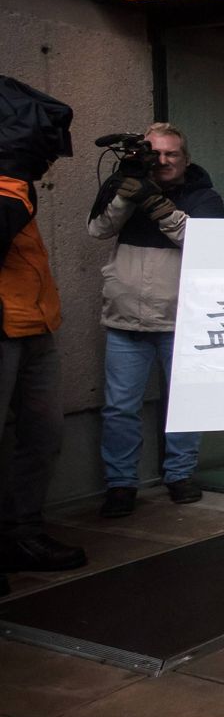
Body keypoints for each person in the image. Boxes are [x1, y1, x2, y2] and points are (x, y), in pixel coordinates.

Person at [88, 124, 224, 517]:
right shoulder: (125, 189)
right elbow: (98, 229)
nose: (162, 161)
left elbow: (204, 243)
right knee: (119, 408)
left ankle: (180, 475)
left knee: (184, 403)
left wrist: (157, 205)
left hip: (181, 319)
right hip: (125, 319)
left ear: (186, 158)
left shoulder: (203, 196)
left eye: (171, 154)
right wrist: (124, 197)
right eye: (155, 153)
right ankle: (120, 485)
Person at [0, 76, 84, 591]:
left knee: (43, 435)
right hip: (3, 328)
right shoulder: (10, 189)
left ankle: (21, 534)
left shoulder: (16, 185)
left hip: (35, 324)